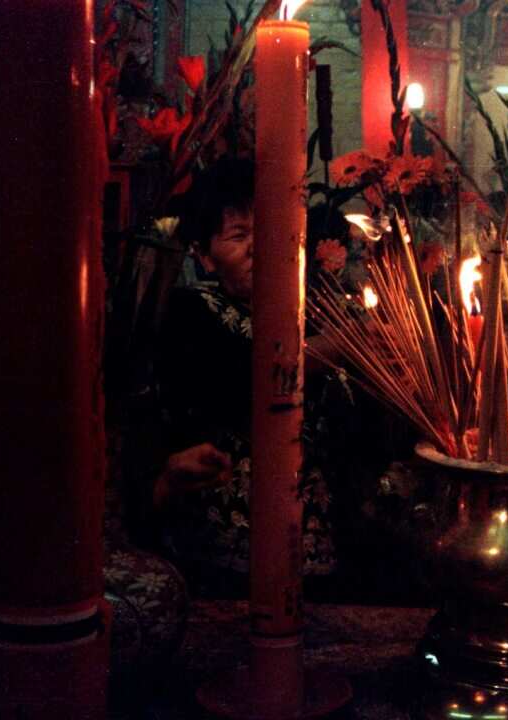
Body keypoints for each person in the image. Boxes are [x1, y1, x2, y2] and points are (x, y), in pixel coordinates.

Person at [148, 157, 336, 597]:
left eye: (269, 228)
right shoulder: (193, 311)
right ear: (204, 256)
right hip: (231, 556)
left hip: (320, 555)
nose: (259, 246)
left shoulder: (312, 315)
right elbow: (239, 381)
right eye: (239, 236)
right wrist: (344, 351)